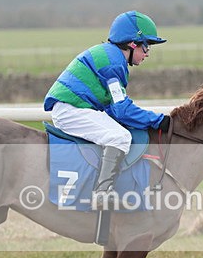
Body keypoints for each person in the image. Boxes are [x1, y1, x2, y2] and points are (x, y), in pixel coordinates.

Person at [43, 11, 171, 208]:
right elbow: (121, 110)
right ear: (132, 43)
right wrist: (157, 120)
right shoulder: (113, 62)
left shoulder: (111, 56)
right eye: (147, 46)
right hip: (71, 110)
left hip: (75, 107)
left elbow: (114, 109)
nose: (147, 53)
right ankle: (102, 194)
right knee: (120, 137)